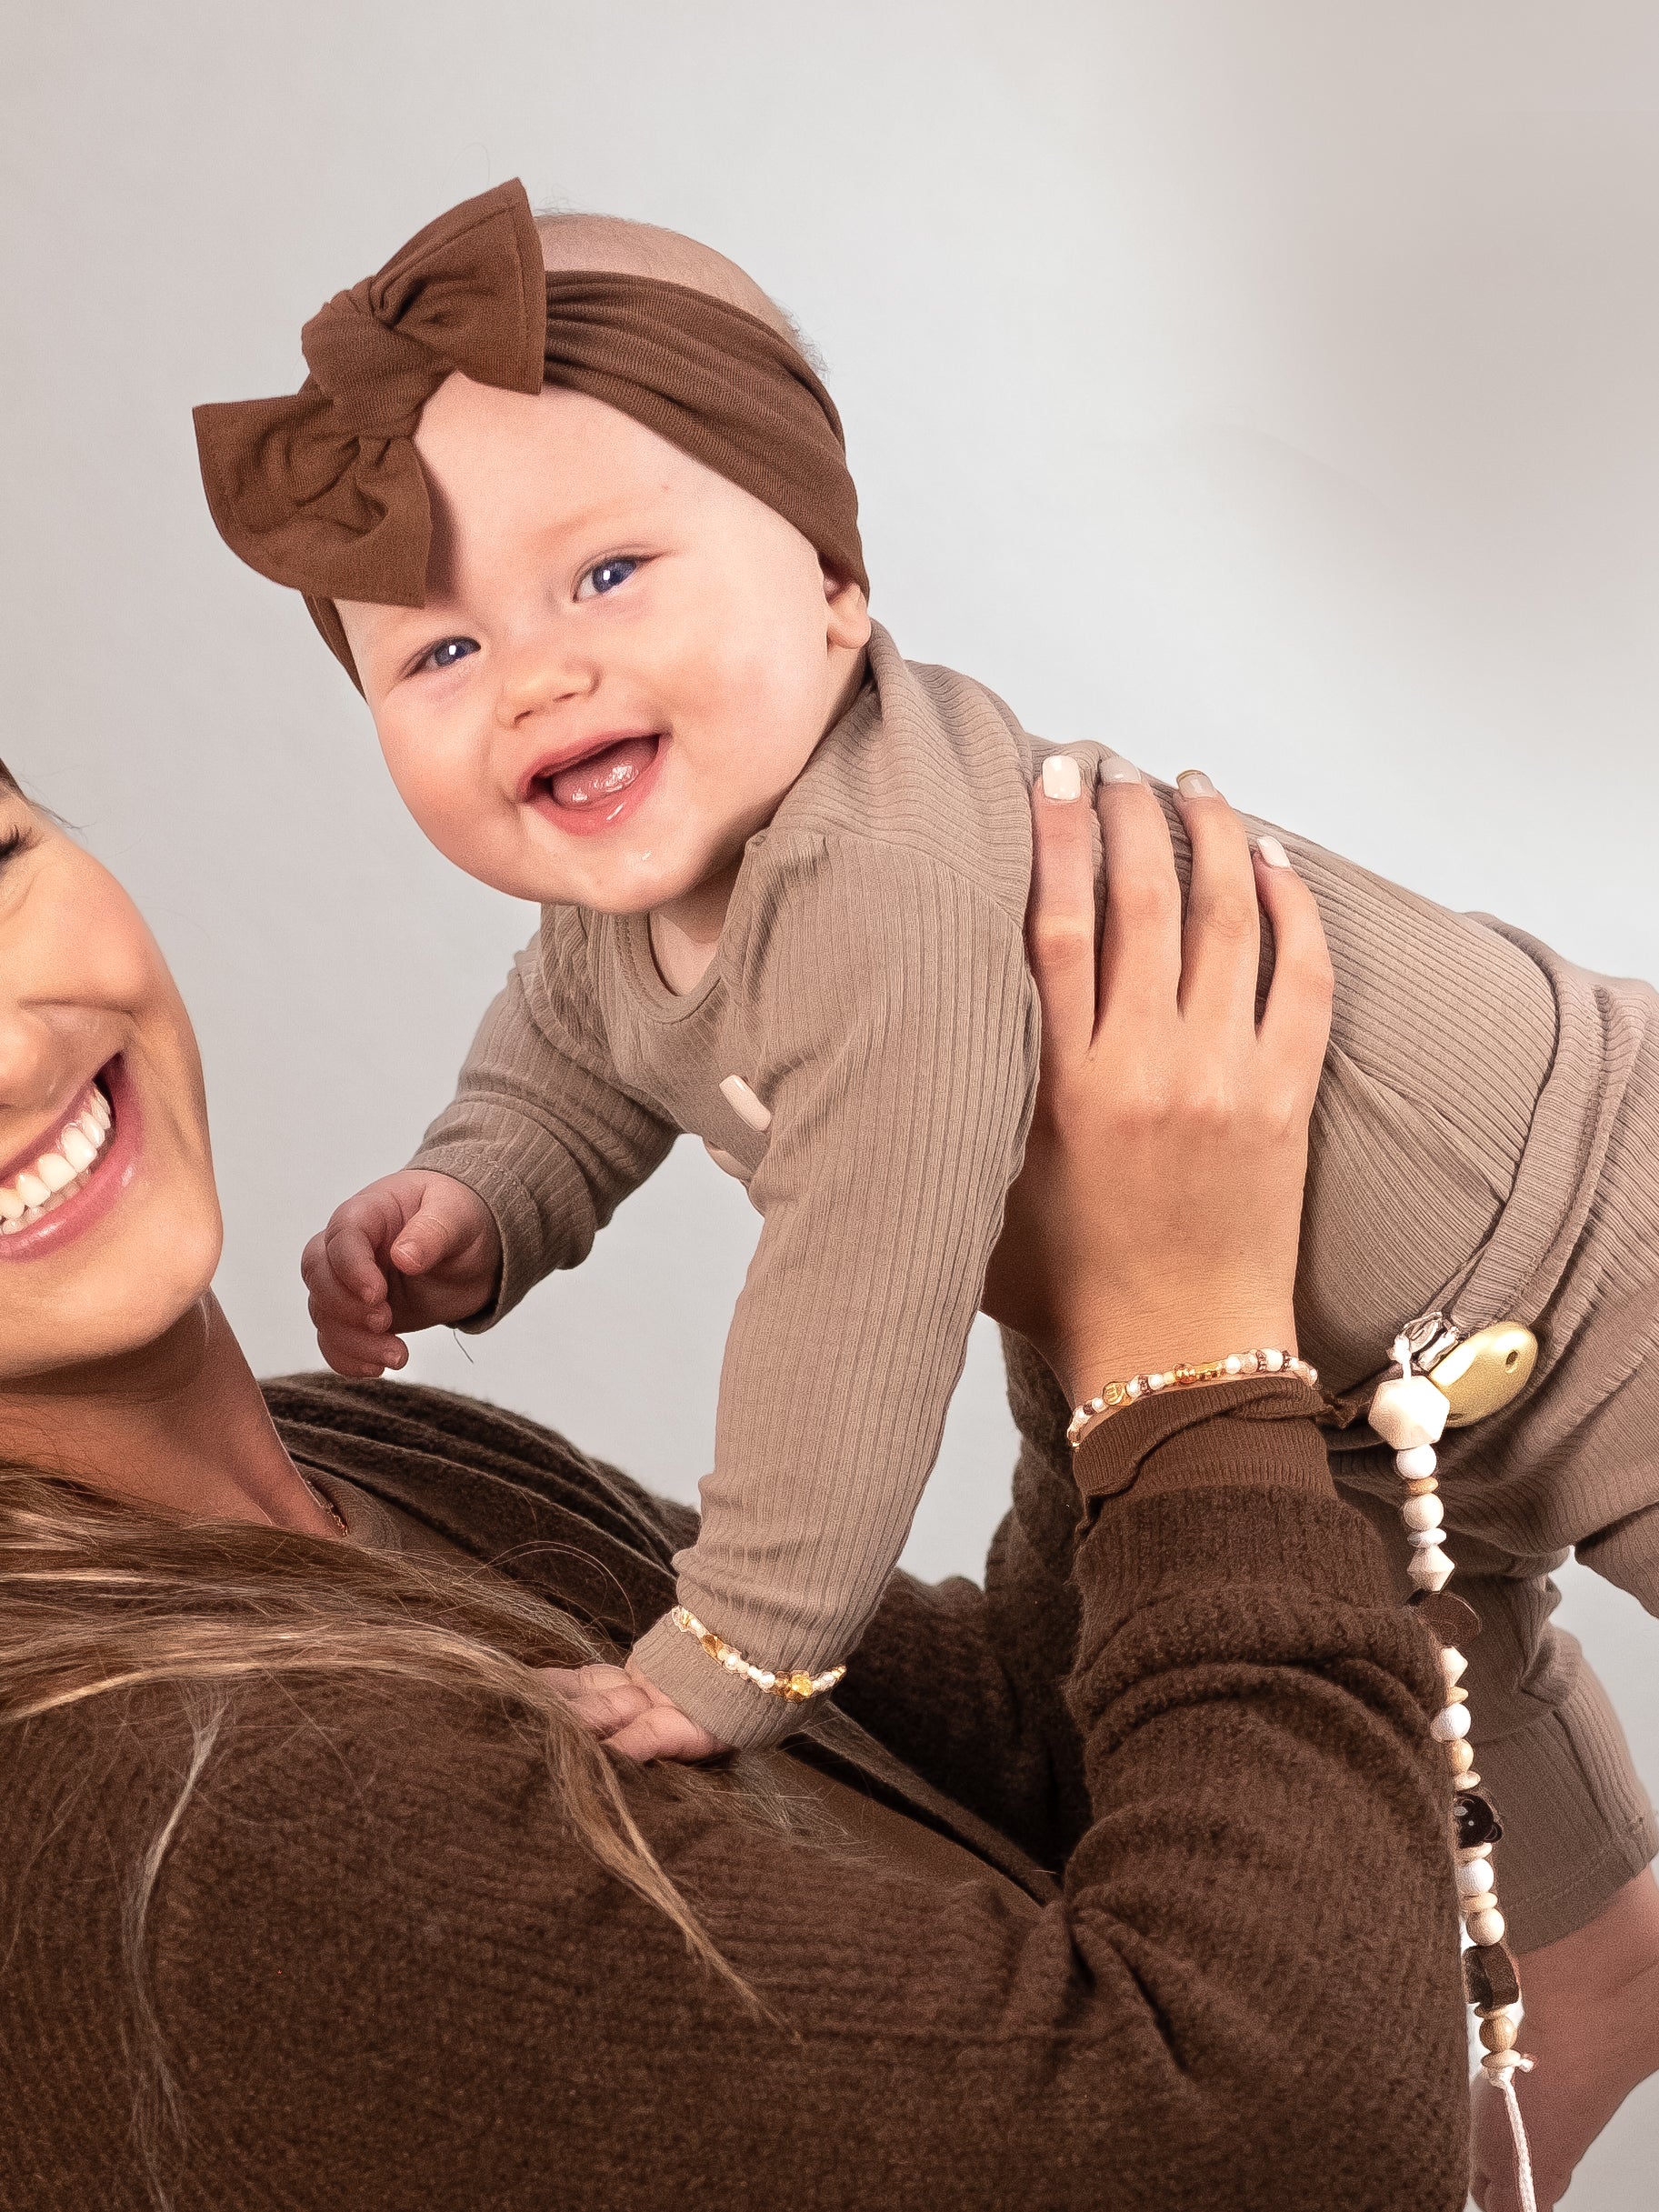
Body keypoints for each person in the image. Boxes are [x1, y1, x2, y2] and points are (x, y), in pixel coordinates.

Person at [189, 185, 1658, 2189]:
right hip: (1338, 1414)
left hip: (1588, 1244)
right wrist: (485, 1193)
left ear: (830, 588)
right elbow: (570, 1043)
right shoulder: (643, 905)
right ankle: (1596, 1961)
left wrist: (735, 1646)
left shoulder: (880, 884)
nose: (536, 672)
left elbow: (857, 1289)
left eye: (609, 570)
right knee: (1447, 1764)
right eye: (439, 643)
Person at [0, 750, 1474, 2207]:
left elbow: (1031, 1763)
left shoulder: (345, 1459)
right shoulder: (211, 1826)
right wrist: (1187, 1364)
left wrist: (1077, 1241)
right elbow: (1290, 2143)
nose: (12, 1060)